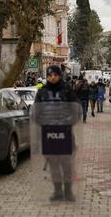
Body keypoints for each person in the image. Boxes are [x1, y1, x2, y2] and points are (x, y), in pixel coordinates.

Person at [35, 65, 79, 201]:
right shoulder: (41, 92)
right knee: (53, 164)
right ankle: (58, 192)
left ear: (59, 75)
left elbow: (76, 109)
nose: (52, 77)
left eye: (55, 75)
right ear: (47, 77)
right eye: (50, 75)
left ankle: (68, 192)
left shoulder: (67, 90)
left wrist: (68, 123)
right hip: (49, 134)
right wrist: (45, 123)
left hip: (65, 133)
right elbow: (36, 113)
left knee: (67, 164)